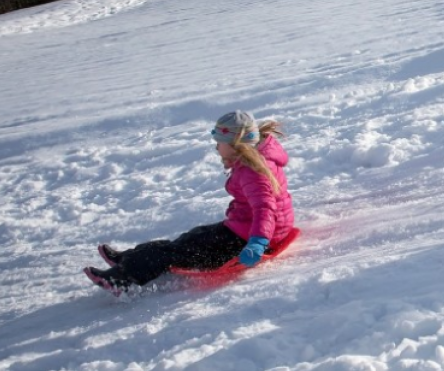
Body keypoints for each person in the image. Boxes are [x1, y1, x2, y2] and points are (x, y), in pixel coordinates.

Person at [84, 110, 295, 295]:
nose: (216, 149)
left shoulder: (253, 171)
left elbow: (265, 208)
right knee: (188, 239)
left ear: (235, 145)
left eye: (219, 144)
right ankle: (128, 259)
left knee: (179, 252)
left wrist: (258, 243)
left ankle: (122, 278)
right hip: (245, 227)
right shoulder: (255, 159)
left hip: (249, 237)